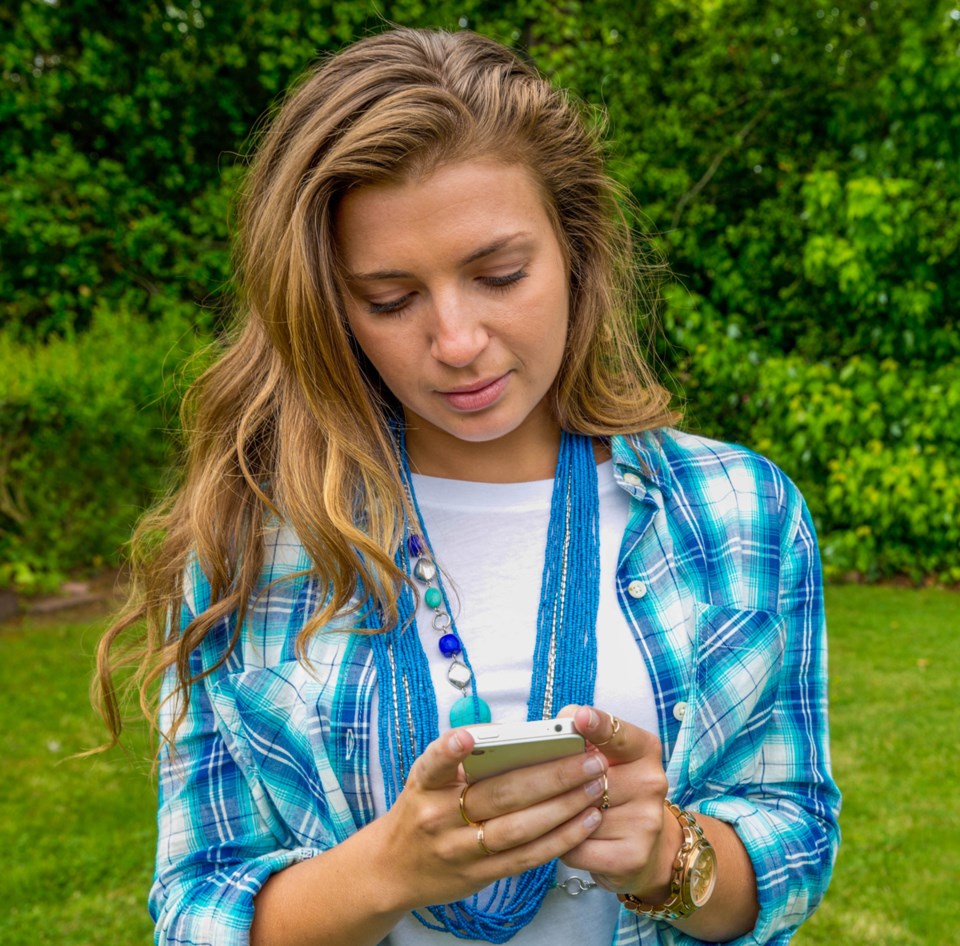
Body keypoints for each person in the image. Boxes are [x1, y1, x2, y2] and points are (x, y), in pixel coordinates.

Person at [95, 27, 840, 946]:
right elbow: (194, 904)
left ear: (575, 249)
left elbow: (794, 839)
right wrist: (387, 871)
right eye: (390, 298)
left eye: (499, 275)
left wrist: (671, 856)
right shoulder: (247, 540)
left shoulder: (741, 512)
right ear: (326, 306)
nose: (456, 341)